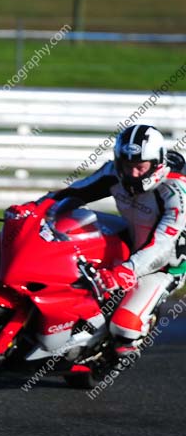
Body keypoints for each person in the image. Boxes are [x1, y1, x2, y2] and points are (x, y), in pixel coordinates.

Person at [13, 124, 186, 357]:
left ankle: (123, 345)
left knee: (124, 328)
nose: (133, 173)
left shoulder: (175, 193)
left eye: (140, 167)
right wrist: (34, 208)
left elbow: (163, 244)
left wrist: (127, 270)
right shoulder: (113, 172)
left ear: (157, 163)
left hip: (167, 264)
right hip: (130, 235)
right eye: (127, 166)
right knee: (70, 228)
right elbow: (74, 193)